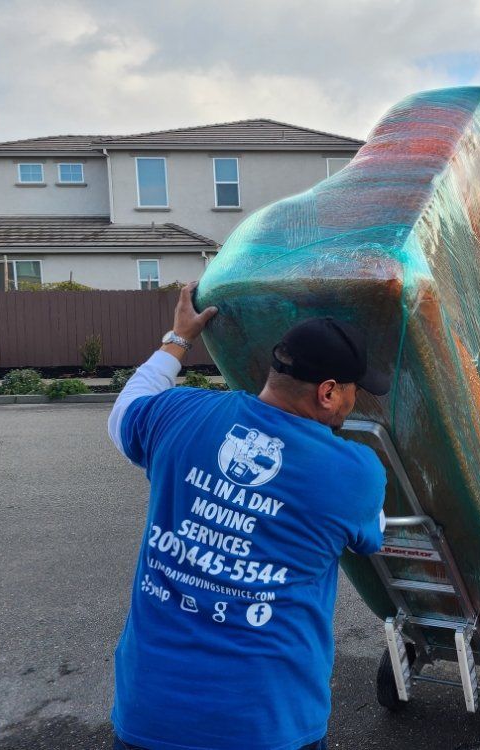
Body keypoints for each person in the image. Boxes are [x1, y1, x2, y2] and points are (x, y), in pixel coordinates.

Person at [107, 282, 389, 750]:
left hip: (151, 713)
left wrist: (177, 341)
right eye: (353, 390)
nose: (354, 401)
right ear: (328, 392)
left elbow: (123, 414)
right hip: (266, 722)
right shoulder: (353, 474)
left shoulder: (180, 413)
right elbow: (371, 534)